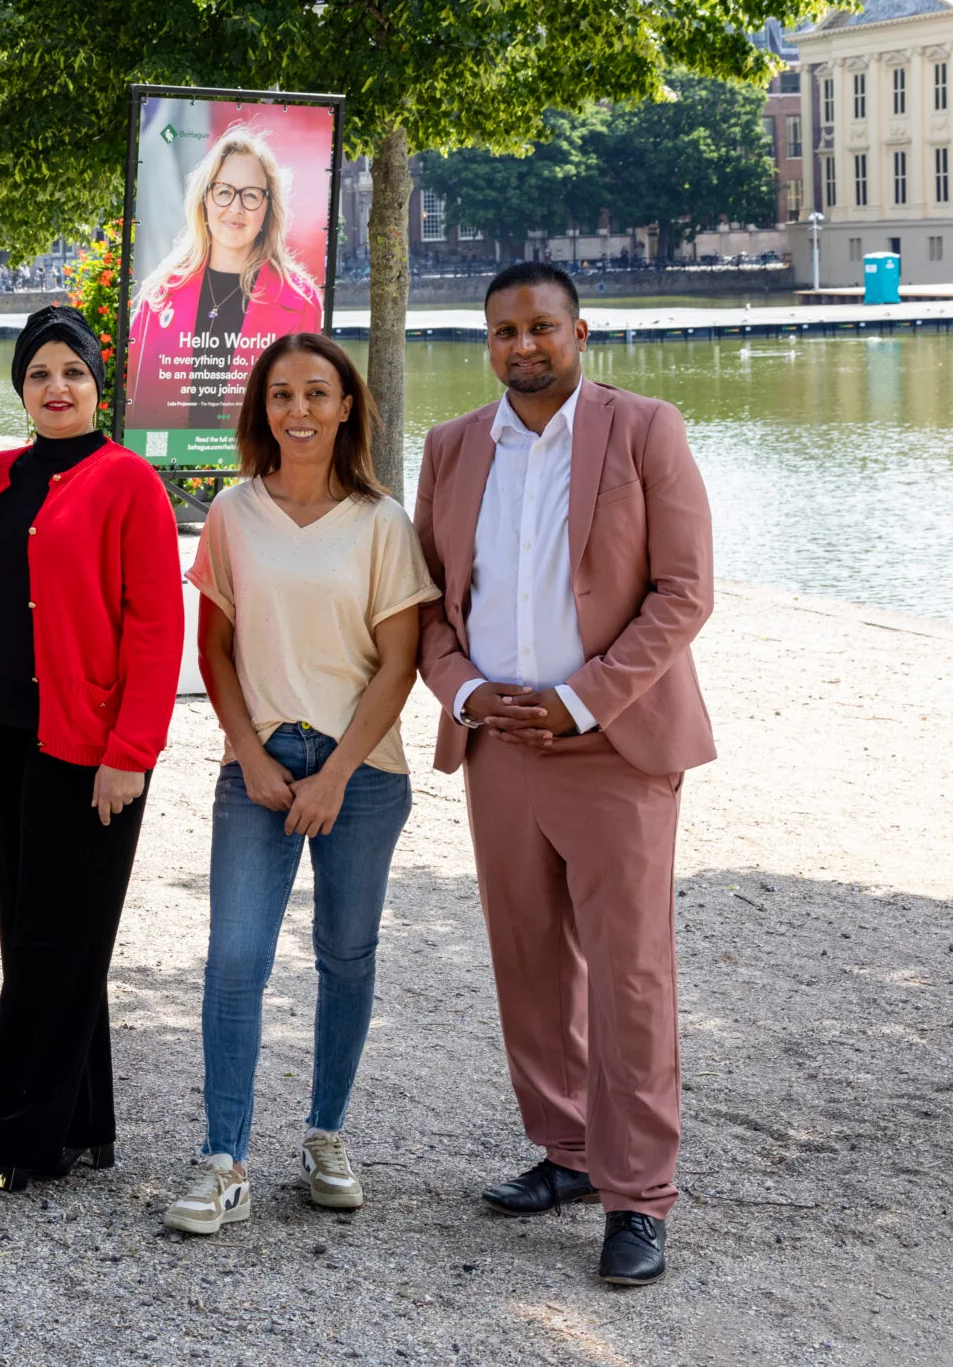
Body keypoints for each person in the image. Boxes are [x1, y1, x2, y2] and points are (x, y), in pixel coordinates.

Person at [413, 262, 714, 1287]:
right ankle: (568, 1150)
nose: (523, 345)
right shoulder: (452, 448)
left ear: (580, 333)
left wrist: (581, 698)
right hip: (498, 743)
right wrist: (463, 692)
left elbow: (682, 592)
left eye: (541, 327)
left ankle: (639, 1194)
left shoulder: (645, 430)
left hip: (612, 745)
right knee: (528, 958)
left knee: (630, 973)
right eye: (504, 331)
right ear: (486, 343)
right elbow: (428, 605)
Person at [158, 333, 436, 1236]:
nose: (300, 409)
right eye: (282, 394)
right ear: (262, 409)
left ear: (347, 406)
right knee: (236, 957)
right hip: (260, 763)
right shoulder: (234, 513)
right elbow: (213, 647)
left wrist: (337, 774)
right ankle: (224, 1160)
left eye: (318, 392)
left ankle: (326, 1133)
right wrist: (247, 750)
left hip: (364, 770)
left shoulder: (382, 522)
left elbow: (399, 663)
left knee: (346, 955)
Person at [0, 307, 185, 1204]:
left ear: (98, 385)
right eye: (38, 374)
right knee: (48, 935)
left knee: (49, 941)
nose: (56, 387)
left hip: (92, 749)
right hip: (9, 740)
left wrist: (130, 750)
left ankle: (2, 1138)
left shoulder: (129, 481)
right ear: (20, 388)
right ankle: (78, 1121)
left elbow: (156, 627)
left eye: (73, 372)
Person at [126, 125, 324, 430]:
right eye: (224, 192)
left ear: (268, 207)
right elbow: (133, 407)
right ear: (205, 200)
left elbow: (309, 410)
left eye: (251, 195)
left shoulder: (302, 302)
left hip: (259, 459)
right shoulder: (159, 295)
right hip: (171, 460)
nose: (236, 207)